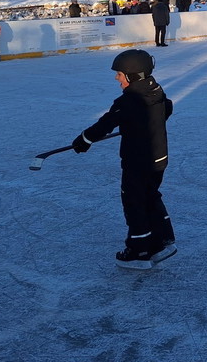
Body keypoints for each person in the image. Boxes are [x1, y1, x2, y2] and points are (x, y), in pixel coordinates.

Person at [71, 49, 176, 269]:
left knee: (134, 202)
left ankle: (139, 251)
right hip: (159, 159)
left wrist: (84, 140)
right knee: (151, 196)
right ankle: (162, 239)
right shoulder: (156, 91)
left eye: (119, 74)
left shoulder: (128, 101)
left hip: (138, 162)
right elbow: (167, 108)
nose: (116, 78)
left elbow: (105, 123)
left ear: (133, 75)